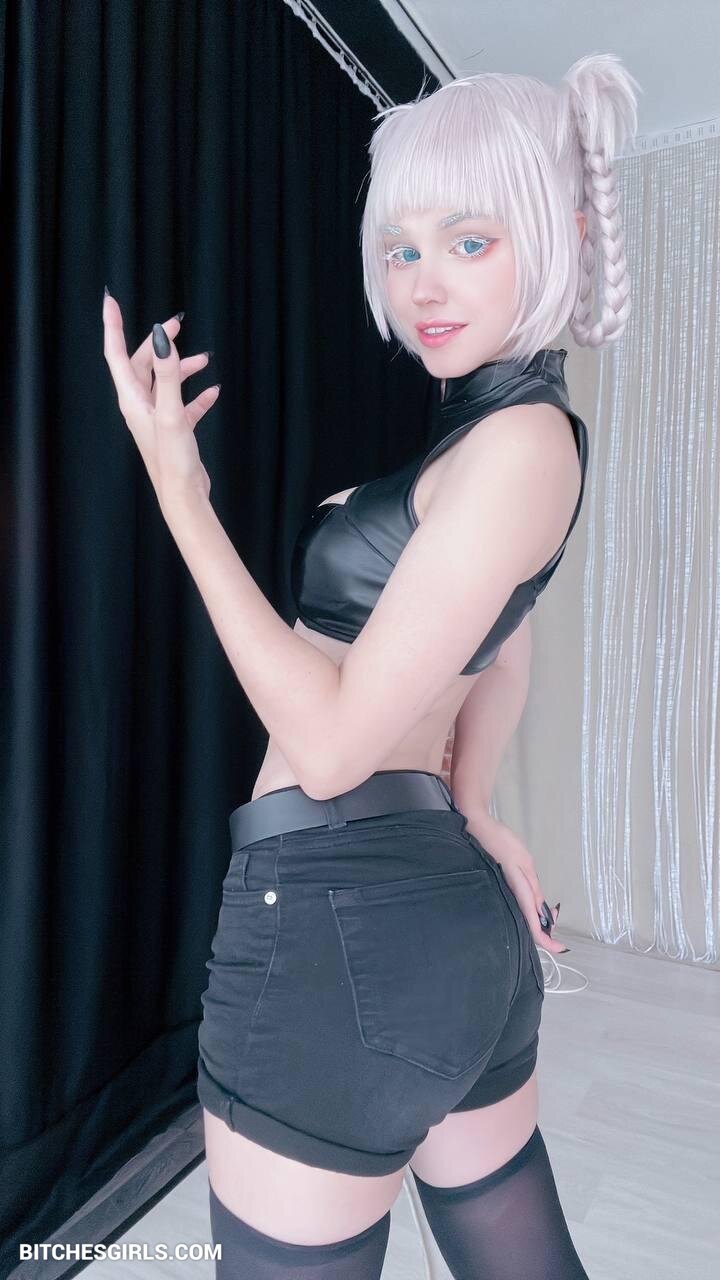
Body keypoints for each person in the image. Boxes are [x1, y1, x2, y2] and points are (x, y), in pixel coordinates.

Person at [102, 51, 640, 1280]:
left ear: (558, 237)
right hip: (438, 922)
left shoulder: (518, 443)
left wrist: (181, 490)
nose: (423, 283)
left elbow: (335, 746)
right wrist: (475, 802)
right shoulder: (506, 437)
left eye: (468, 241)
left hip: (333, 921)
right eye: (401, 249)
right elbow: (505, 638)